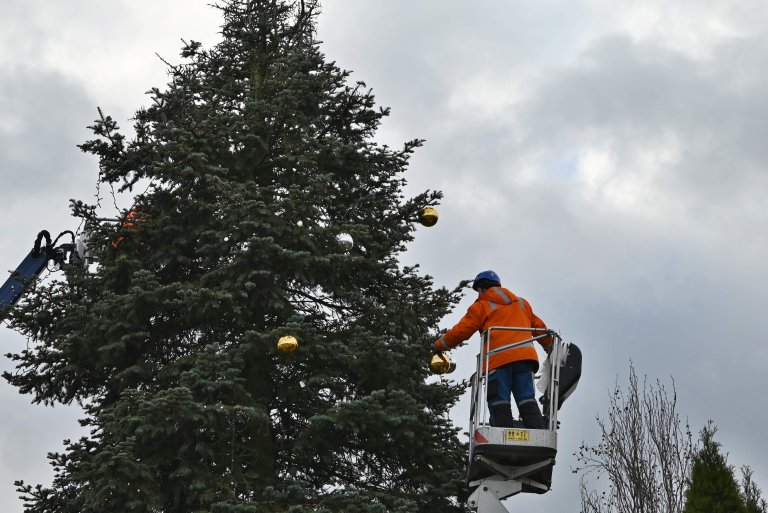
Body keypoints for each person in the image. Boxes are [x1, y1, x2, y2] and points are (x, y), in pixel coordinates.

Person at [434, 270, 552, 429]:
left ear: (482, 288)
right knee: (527, 400)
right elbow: (540, 329)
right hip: (525, 360)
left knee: (499, 401)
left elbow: (461, 331)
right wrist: (550, 348)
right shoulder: (522, 303)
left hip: (498, 361)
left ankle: (503, 439)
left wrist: (438, 346)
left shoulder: (481, 306)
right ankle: (538, 434)